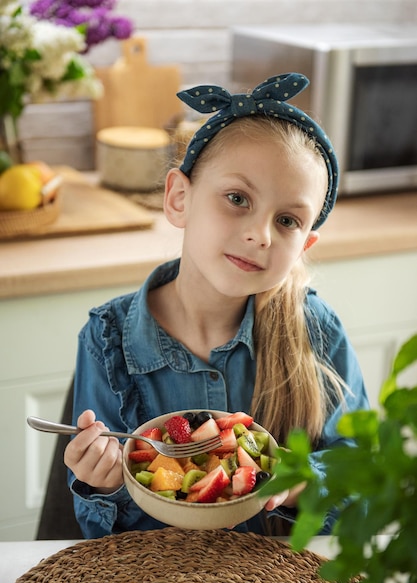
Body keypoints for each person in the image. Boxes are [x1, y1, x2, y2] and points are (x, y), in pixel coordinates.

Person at [64, 73, 369, 539]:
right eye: (237, 199)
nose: (260, 235)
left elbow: (362, 481)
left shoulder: (316, 329)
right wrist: (102, 483)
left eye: (286, 220)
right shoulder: (107, 338)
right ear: (178, 198)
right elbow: (101, 537)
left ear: (304, 244)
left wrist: (306, 482)